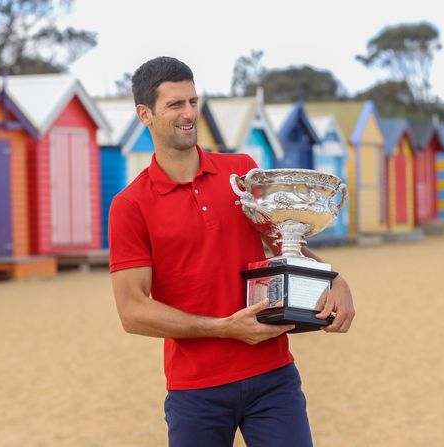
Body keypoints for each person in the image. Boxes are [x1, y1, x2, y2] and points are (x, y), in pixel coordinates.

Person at [108, 56, 355, 447]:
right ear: (145, 114)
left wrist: (334, 279)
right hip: (196, 391)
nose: (189, 113)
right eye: (175, 104)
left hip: (273, 377)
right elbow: (132, 311)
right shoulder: (130, 205)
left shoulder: (242, 174)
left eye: (193, 101)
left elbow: (285, 241)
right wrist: (223, 328)